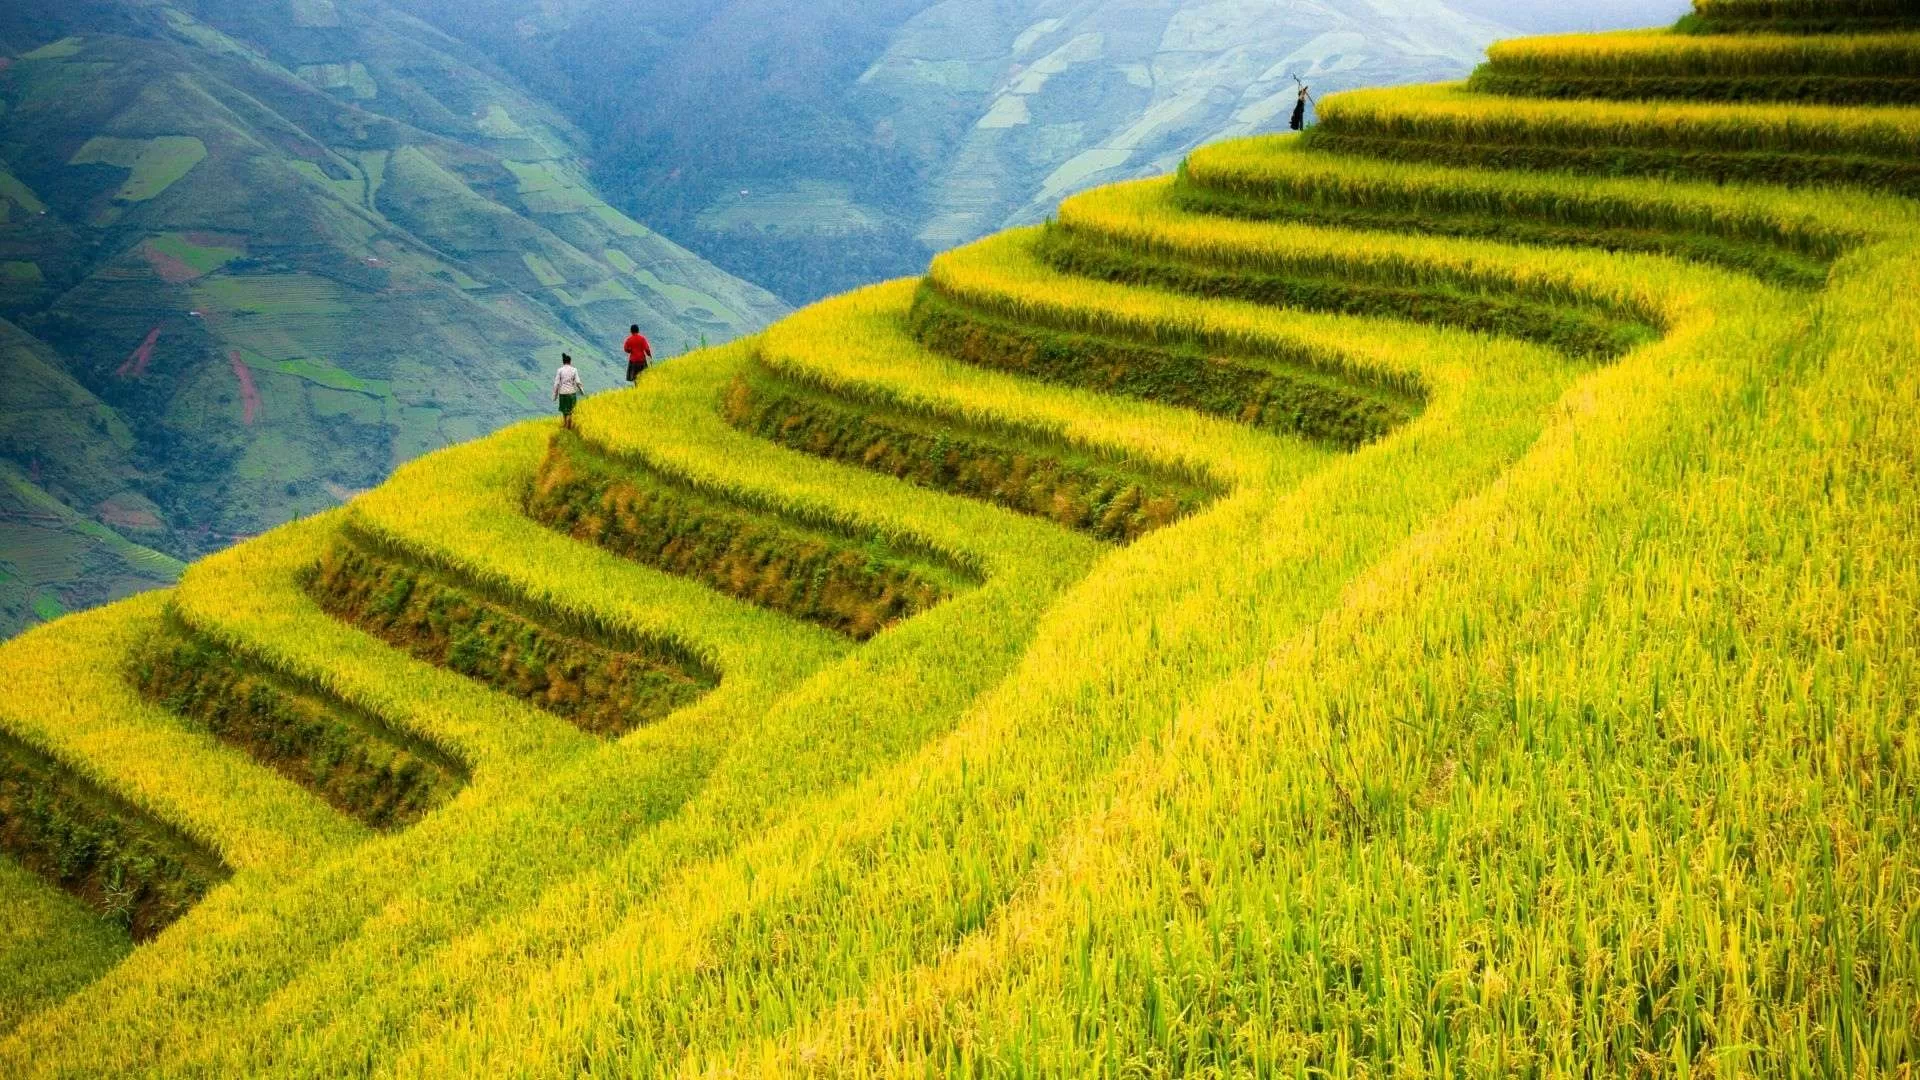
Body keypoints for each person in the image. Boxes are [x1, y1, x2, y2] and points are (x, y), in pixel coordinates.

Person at [553, 353, 584, 430]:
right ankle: (568, 426)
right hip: (571, 393)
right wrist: (582, 391)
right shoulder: (574, 370)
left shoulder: (559, 370)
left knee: (564, 410)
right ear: (570, 362)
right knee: (571, 411)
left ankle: (565, 425)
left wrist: (555, 395)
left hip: (562, 393)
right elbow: (577, 382)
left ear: (563, 362)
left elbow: (556, 383)